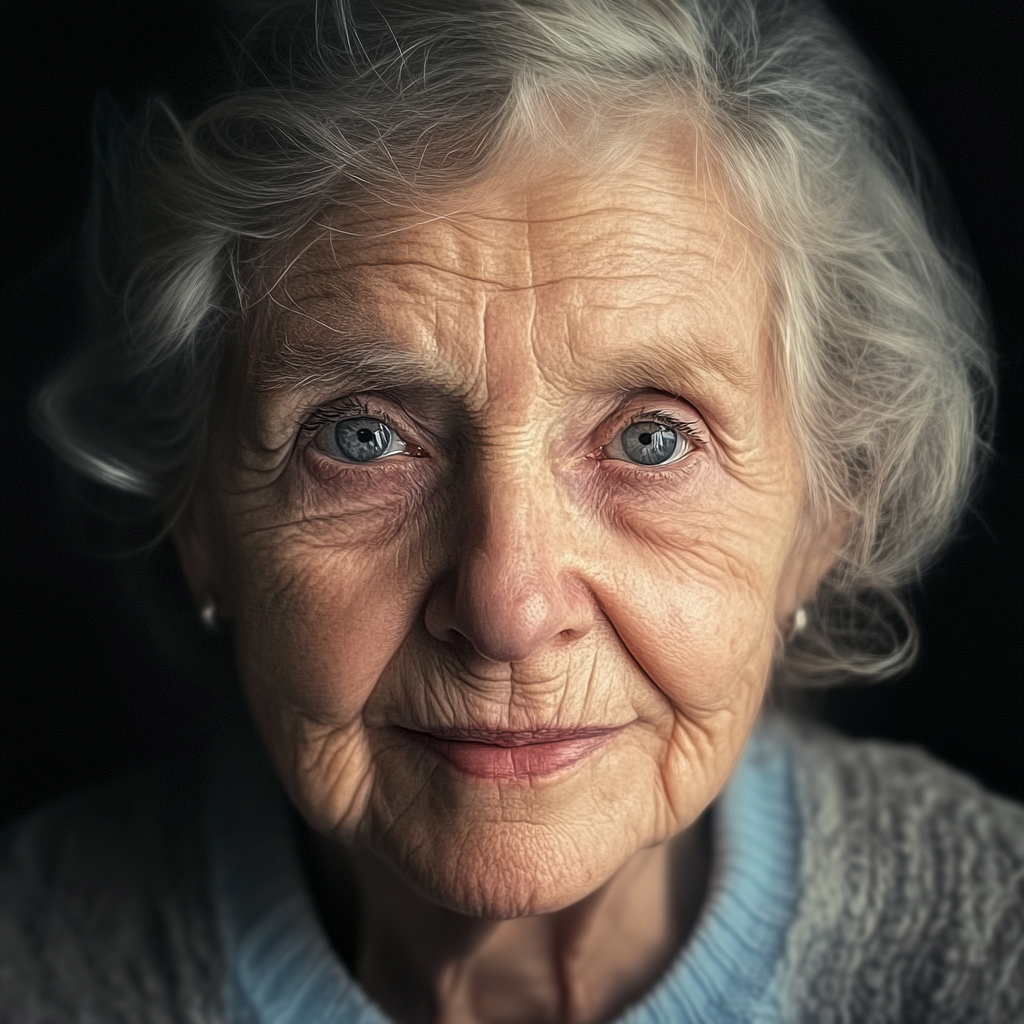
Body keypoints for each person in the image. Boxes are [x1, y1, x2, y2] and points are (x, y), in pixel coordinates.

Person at [2, 1, 1021, 1021]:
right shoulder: (41, 959)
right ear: (200, 522)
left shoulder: (989, 945)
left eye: (650, 439)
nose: (506, 608)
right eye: (362, 437)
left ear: (820, 521)